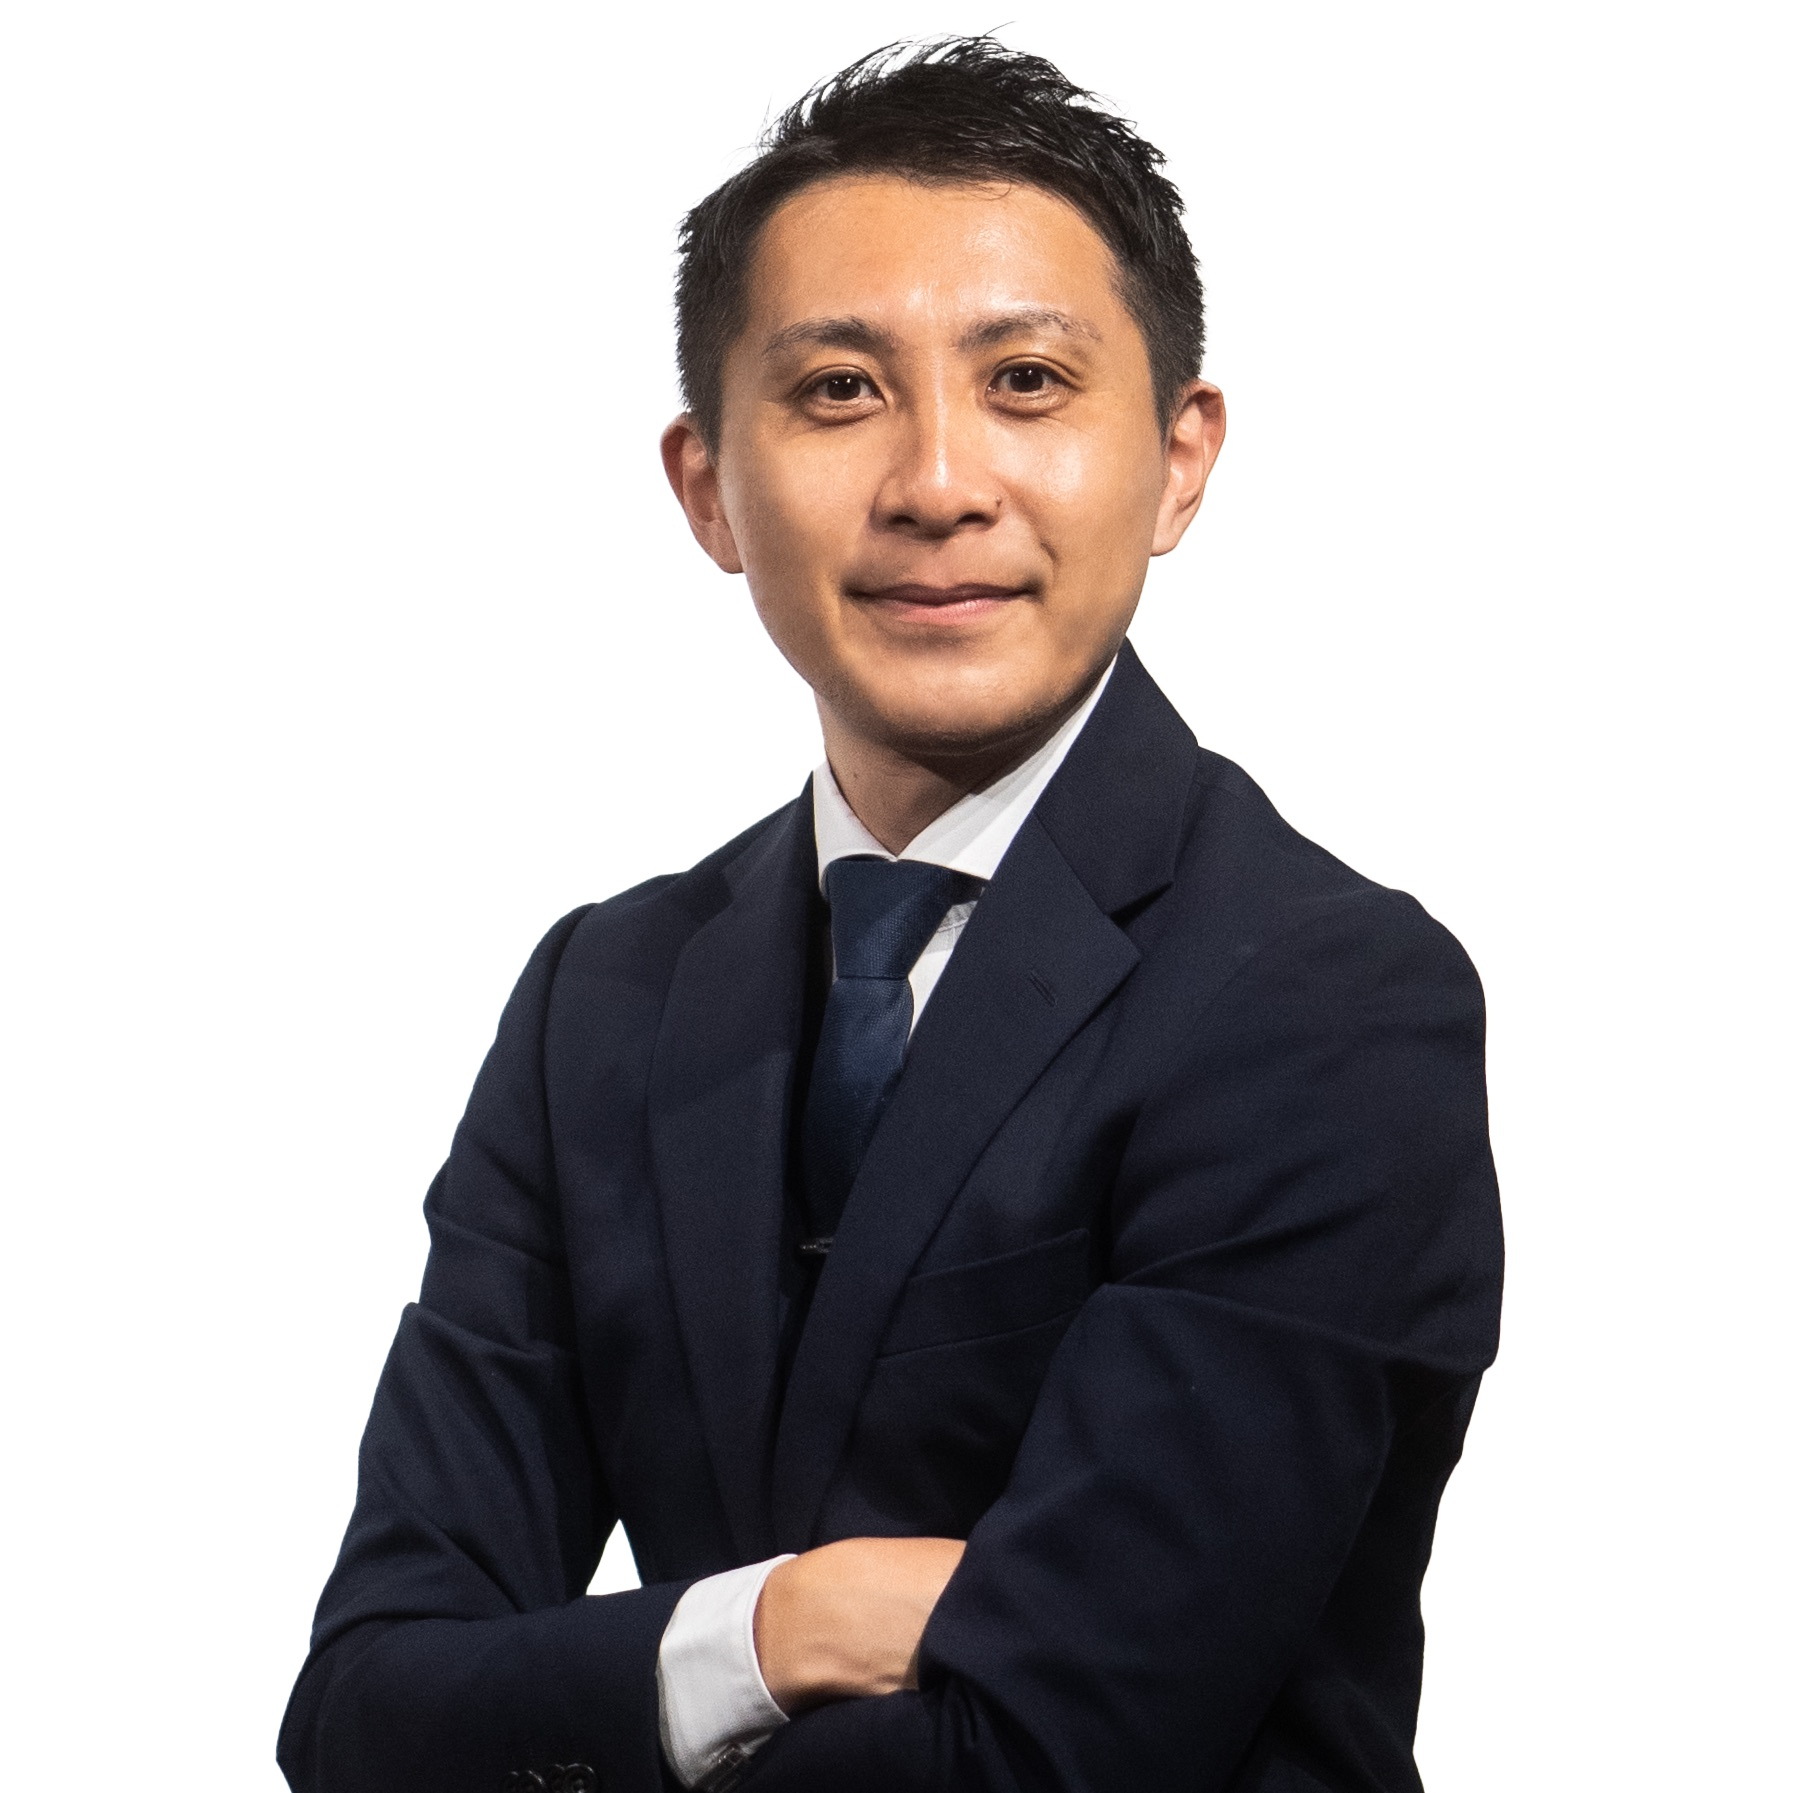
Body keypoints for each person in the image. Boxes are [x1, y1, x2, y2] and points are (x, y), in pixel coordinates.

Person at [278, 38, 1501, 1793]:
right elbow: (359, 1717)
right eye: (841, 390)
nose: (938, 481)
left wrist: (595, 1696)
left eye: (1027, 380)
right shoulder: (601, 1002)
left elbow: (1051, 1755)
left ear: (1179, 459)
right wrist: (778, 1625)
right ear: (709, 487)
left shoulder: (1323, 1001)